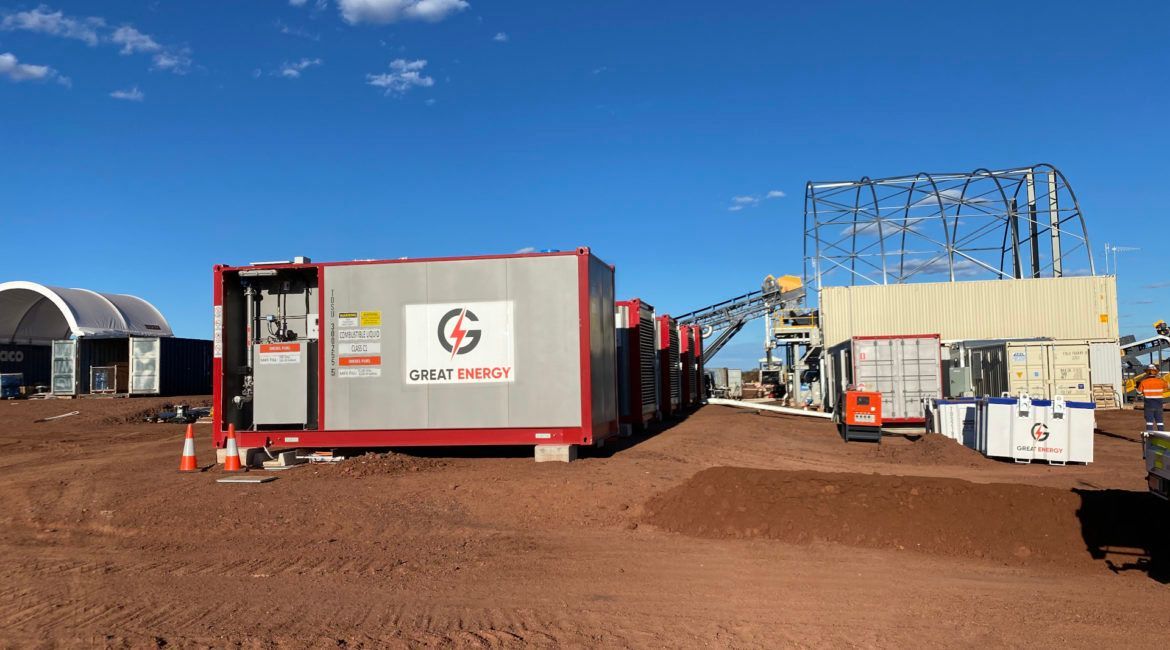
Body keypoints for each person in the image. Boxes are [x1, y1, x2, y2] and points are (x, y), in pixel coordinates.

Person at [1138, 364, 1168, 431]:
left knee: (1149, 422)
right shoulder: (1161, 381)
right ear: (1156, 372)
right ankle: (1161, 437)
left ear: (1147, 373)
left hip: (1148, 405)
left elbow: (1139, 392)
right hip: (1158, 404)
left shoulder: (1143, 382)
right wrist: (1161, 378)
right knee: (1160, 421)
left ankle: (1150, 437)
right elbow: (1167, 387)